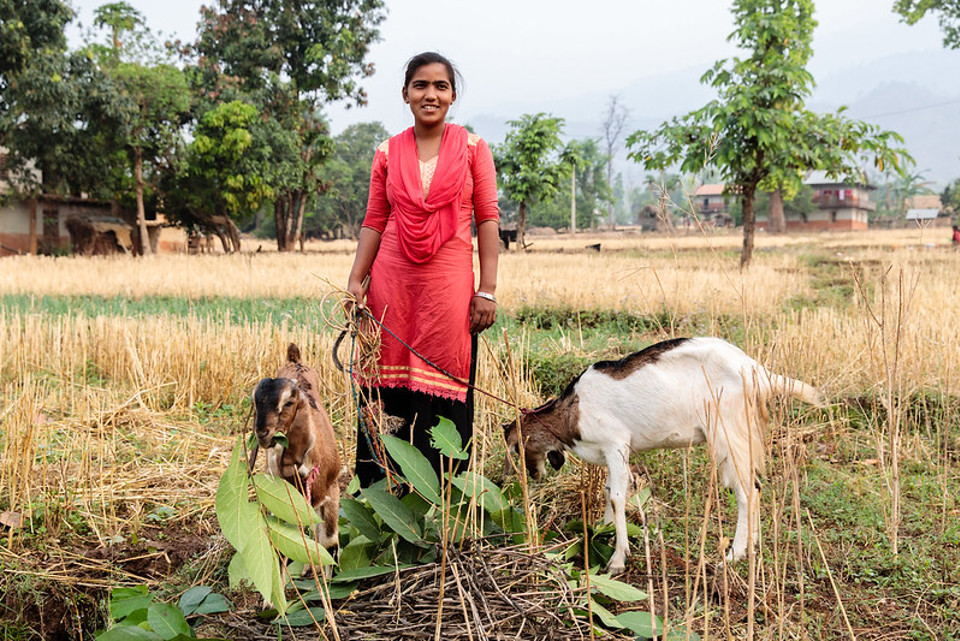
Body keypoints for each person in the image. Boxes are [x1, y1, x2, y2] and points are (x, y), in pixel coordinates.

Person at [346, 52, 500, 487]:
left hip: (448, 286)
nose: (430, 94)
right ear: (406, 93)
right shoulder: (387, 152)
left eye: (440, 86)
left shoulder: (473, 149)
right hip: (391, 284)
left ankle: (442, 496)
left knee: (444, 376)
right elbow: (375, 219)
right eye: (420, 85)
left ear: (452, 96)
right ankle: (382, 497)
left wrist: (486, 289)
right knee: (384, 382)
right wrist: (357, 279)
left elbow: (487, 216)